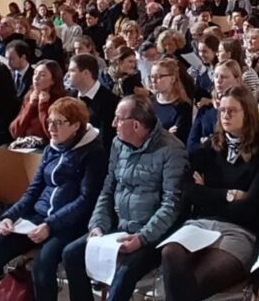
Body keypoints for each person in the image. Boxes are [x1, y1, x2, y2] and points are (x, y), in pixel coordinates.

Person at [0, 97, 108, 301]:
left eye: (58, 123)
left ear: (75, 126)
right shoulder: (50, 149)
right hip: (37, 218)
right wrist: (10, 216)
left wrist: (50, 225)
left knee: (43, 263)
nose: (51, 128)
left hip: (70, 224)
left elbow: (86, 200)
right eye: (49, 122)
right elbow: (34, 190)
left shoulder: (94, 153)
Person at [61, 94, 188, 301]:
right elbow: (108, 190)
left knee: (124, 274)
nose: (113, 124)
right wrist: (98, 225)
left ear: (136, 125)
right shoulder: (118, 144)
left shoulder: (172, 150)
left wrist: (142, 238)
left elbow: (171, 205)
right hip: (118, 228)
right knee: (71, 254)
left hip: (151, 235)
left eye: (119, 119)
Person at [162, 85, 259, 301]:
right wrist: (230, 194)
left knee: (194, 281)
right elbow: (187, 191)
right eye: (222, 110)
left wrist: (205, 192)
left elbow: (252, 207)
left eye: (232, 111)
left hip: (239, 231)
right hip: (202, 224)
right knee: (170, 252)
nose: (225, 115)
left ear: (248, 113)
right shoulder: (211, 146)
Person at [66, 53, 119, 147]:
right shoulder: (69, 97)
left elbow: (105, 140)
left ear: (86, 73)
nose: (67, 75)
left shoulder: (110, 102)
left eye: (72, 71)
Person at [187, 60, 241, 153]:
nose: (219, 81)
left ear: (237, 80)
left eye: (224, 77)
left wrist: (205, 141)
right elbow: (191, 144)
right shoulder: (206, 108)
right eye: (216, 76)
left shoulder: (241, 109)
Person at [9, 60, 67, 143]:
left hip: (45, 147)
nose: (36, 78)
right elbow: (15, 131)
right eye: (35, 73)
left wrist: (43, 106)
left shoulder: (60, 101)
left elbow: (52, 134)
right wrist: (30, 105)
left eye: (42, 75)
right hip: (25, 144)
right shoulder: (30, 96)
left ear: (53, 81)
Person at [148, 57, 192, 145]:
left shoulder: (183, 107)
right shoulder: (149, 102)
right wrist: (166, 134)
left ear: (172, 79)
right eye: (152, 77)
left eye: (159, 76)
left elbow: (178, 139)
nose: (154, 81)